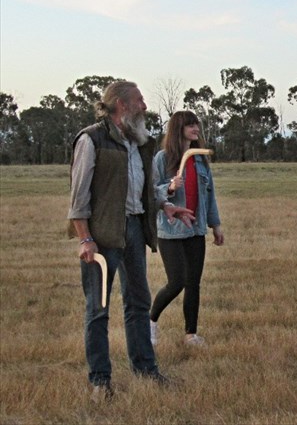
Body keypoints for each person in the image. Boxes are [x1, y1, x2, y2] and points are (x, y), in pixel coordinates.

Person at [67, 81, 195, 401]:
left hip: (135, 229)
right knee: (98, 309)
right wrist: (85, 239)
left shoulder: (140, 142)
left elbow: (145, 188)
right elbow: (78, 196)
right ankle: (100, 381)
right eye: (140, 100)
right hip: (102, 235)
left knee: (138, 302)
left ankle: (146, 370)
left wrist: (165, 205)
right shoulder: (91, 139)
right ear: (122, 105)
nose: (145, 106)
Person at [150, 111, 224, 347]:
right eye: (190, 125)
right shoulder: (162, 159)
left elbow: (209, 195)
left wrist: (215, 225)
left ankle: (191, 334)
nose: (196, 129)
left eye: (196, 125)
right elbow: (152, 192)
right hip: (171, 230)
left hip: (196, 229)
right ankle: (150, 322)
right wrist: (170, 187)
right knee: (177, 282)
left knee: (193, 283)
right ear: (178, 129)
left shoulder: (200, 160)